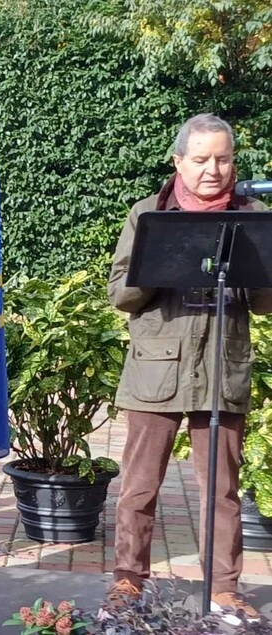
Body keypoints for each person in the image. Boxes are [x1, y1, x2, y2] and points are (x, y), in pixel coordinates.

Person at [107, 113, 269, 624]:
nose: (212, 169)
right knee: (139, 486)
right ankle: (128, 583)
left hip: (222, 368)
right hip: (155, 371)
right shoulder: (148, 214)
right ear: (179, 161)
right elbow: (121, 295)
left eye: (222, 158)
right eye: (200, 159)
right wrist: (160, 262)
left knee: (220, 489)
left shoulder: (254, 215)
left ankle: (223, 590)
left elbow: (264, 303)